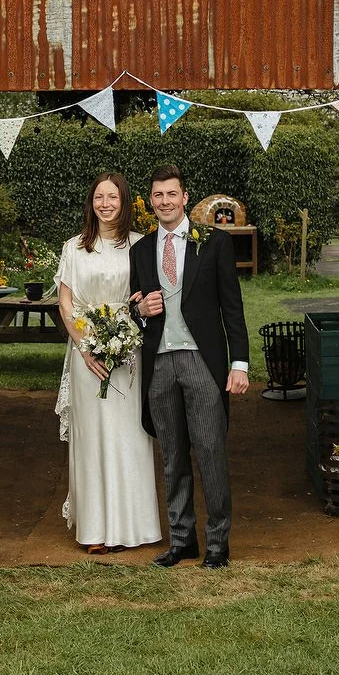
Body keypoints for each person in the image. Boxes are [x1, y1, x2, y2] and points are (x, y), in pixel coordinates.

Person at [129, 164, 250, 569]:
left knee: (211, 451)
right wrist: (141, 310)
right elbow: (135, 307)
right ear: (151, 201)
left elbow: (232, 306)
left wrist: (240, 363)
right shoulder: (141, 250)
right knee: (172, 456)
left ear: (184, 198)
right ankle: (182, 540)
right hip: (160, 363)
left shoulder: (214, 243)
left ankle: (218, 544)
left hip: (202, 360)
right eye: (158, 195)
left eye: (172, 194)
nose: (165, 201)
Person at [54, 173, 161, 554]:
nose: (105, 204)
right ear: (91, 203)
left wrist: (126, 332)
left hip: (128, 352)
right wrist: (85, 346)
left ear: (124, 201)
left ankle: (133, 528)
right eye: (99, 197)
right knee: (93, 440)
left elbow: (146, 296)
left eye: (112, 197)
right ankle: (95, 529)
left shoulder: (140, 245)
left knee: (129, 437)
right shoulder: (74, 247)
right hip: (87, 356)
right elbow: (65, 303)